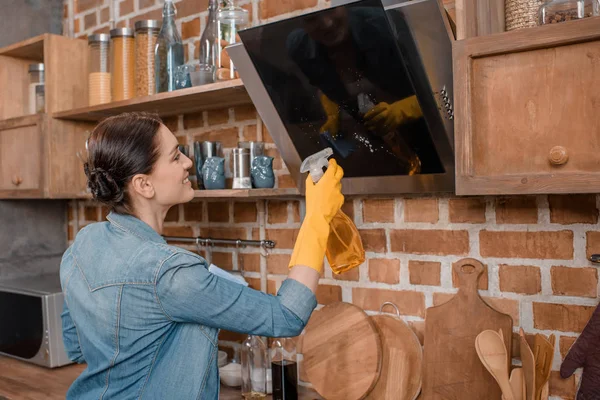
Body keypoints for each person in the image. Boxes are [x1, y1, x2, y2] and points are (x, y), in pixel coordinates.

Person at [60, 112, 344, 399]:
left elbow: (76, 345)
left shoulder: (84, 242)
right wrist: (317, 218)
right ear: (143, 185)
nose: (188, 162)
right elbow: (287, 316)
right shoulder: (171, 273)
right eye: (175, 157)